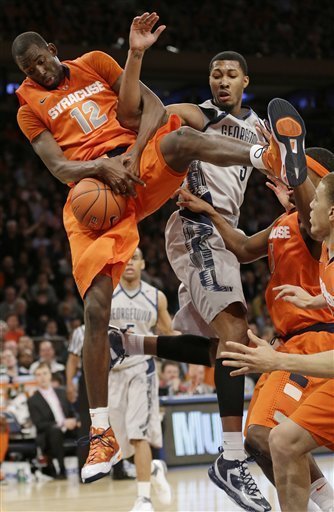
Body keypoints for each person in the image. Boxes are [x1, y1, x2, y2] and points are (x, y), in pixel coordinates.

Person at [12, 11, 297, 489]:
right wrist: (102, 168)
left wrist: (131, 150)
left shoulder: (94, 63)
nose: (39, 72)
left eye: (42, 61)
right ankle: (101, 430)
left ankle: (264, 157)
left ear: (53, 49)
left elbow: (151, 109)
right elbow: (60, 168)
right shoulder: (27, 106)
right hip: (93, 193)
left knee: (181, 141)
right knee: (97, 308)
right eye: (29, 70)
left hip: (135, 164)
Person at [175, 145, 334, 512]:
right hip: (288, 343)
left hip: (313, 342)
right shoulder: (286, 224)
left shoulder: (315, 232)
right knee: (271, 439)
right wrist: (211, 212)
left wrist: (285, 150)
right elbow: (244, 248)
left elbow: (309, 202)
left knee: (269, 437)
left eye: (296, 175)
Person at [219, 175, 334, 511]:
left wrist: (277, 361)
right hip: (304, 344)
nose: (308, 204)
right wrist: (315, 300)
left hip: (314, 348)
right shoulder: (326, 259)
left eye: (315, 200)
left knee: (268, 435)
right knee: (282, 440)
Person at [67, 247, 172, 510]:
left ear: (144, 263)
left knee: (139, 435)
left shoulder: (155, 297)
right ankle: (155, 469)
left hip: (141, 369)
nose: (130, 264)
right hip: (112, 374)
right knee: (121, 445)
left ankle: (143, 498)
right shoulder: (107, 294)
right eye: (126, 259)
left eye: (135, 258)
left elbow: (168, 334)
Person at [28, 362, 79, 479]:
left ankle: (88, 466)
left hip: (69, 428)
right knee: (56, 431)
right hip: (48, 433)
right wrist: (62, 423)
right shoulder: (33, 400)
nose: (42, 377)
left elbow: (72, 412)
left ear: (50, 375)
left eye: (45, 373)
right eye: (39, 375)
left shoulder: (62, 392)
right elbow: (39, 424)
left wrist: (76, 420)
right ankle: (61, 469)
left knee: (85, 426)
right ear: (35, 378)